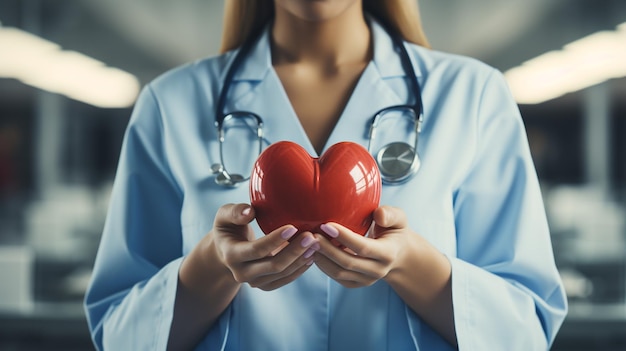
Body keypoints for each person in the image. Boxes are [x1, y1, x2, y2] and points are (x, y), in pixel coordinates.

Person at [84, 0, 568, 350]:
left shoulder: (473, 94)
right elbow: (120, 333)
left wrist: (411, 264)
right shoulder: (169, 103)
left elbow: (524, 330)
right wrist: (212, 265)